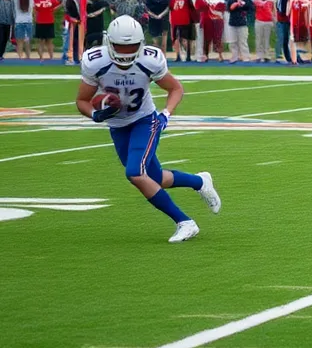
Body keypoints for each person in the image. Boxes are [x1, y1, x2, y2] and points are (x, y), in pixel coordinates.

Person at [75, 17, 221, 243]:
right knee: (153, 177)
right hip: (117, 125)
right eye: (120, 47)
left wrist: (165, 115)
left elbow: (176, 88)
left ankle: (185, 222)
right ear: (109, 43)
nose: (126, 52)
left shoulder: (149, 60)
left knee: (135, 173)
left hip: (144, 120)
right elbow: (82, 100)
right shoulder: (95, 61)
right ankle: (199, 182)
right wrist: (95, 114)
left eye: (131, 46)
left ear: (140, 43)